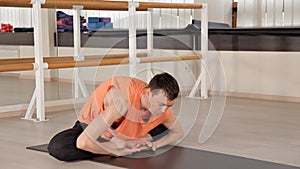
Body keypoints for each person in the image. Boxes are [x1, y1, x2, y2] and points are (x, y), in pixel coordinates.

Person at [47, 72, 184, 161]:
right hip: (94, 127)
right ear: (148, 93)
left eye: (169, 106)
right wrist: (115, 150)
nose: (164, 110)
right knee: (59, 147)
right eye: (160, 104)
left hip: (123, 131)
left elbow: (178, 132)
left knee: (162, 128)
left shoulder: (161, 105)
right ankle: (110, 143)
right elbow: (82, 142)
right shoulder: (121, 102)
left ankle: (124, 141)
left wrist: (155, 144)